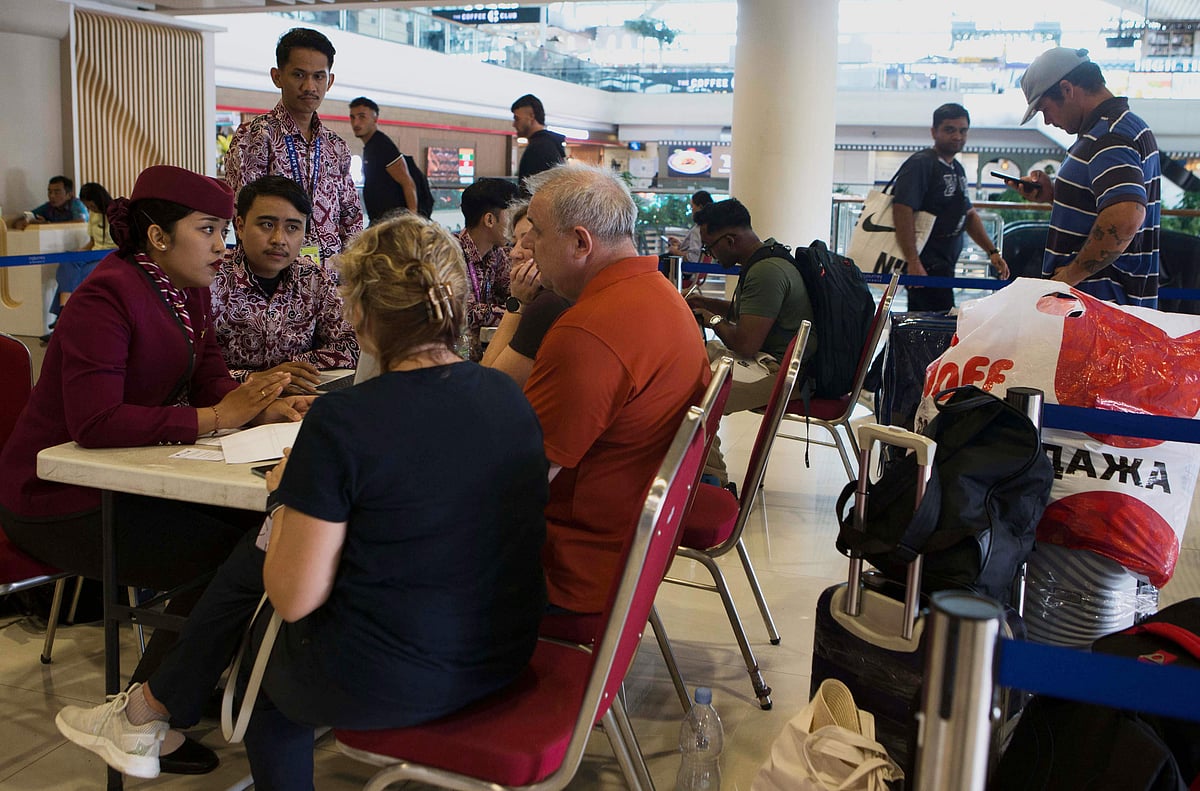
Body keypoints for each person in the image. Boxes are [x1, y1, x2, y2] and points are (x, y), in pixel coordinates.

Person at [54, 213, 549, 788]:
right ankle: (148, 710)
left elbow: (293, 596)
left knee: (267, 693)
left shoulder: (344, 420)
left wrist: (286, 496)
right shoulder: (504, 395)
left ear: (359, 314)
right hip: (505, 649)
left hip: (398, 677)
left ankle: (148, 710)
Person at [0, 164, 310, 775]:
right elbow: (94, 421)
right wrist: (216, 417)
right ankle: (152, 712)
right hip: (56, 496)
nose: (223, 246)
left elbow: (210, 374)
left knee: (248, 540)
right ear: (159, 237)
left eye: (224, 230)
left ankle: (153, 708)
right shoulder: (106, 294)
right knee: (238, 549)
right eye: (210, 230)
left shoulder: (185, 286)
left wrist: (261, 407)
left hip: (126, 477)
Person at [521, 164, 709, 614]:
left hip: (569, 567)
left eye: (536, 231)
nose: (526, 244)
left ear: (580, 243)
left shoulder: (589, 331)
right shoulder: (662, 295)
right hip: (631, 551)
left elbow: (518, 483)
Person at [1015, 47, 1161, 308]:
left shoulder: (1109, 137)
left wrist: (1069, 277)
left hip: (1100, 310)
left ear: (1067, 89)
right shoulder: (1121, 126)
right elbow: (1106, 206)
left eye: (1045, 109)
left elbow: (1125, 217)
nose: (1047, 121)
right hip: (1109, 308)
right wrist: (1055, 195)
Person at [224, 28, 363, 265]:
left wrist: (351, 273)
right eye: (299, 75)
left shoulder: (336, 147)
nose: (309, 86)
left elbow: (351, 219)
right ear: (277, 76)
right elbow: (242, 215)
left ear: (329, 81)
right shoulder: (255, 136)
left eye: (318, 77)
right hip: (273, 281)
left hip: (330, 283)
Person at [211, 176, 359, 393]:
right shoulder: (211, 278)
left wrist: (290, 368)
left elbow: (352, 344)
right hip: (226, 403)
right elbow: (189, 365)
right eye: (267, 225)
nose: (279, 239)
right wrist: (253, 378)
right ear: (240, 227)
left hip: (295, 398)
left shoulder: (312, 277)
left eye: (292, 228)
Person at [687, 198, 816, 414]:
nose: (710, 256)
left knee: (687, 398)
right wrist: (703, 302)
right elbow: (751, 315)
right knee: (691, 366)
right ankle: (707, 449)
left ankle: (705, 449)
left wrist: (711, 318)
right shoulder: (769, 257)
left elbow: (745, 344)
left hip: (785, 373)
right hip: (777, 363)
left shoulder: (765, 272)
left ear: (729, 241)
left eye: (709, 248)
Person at [891, 103, 1010, 312]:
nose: (957, 136)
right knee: (927, 328)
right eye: (949, 130)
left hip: (945, 264)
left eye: (963, 131)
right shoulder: (921, 164)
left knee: (938, 322)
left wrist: (991, 251)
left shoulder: (957, 168)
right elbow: (902, 208)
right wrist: (913, 260)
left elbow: (969, 215)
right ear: (933, 132)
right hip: (925, 264)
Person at [480, 200, 570, 387]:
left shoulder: (549, 303)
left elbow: (488, 384)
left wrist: (517, 302)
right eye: (514, 242)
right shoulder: (557, 295)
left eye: (527, 240)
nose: (514, 253)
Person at [456, 177, 520, 360]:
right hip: (456, 357)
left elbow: (512, 293)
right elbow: (464, 312)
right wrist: (516, 312)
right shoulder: (451, 252)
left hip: (482, 353)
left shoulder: (497, 253)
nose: (515, 224)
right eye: (512, 214)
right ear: (490, 220)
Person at [348, 96, 418, 223]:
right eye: (352, 117)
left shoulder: (383, 145)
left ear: (375, 118)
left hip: (393, 224)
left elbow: (408, 183)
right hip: (380, 221)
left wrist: (412, 221)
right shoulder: (371, 146)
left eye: (362, 117)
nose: (356, 123)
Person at [511, 94, 566, 189]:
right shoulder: (550, 144)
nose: (514, 124)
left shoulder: (539, 149)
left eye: (517, 119)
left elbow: (533, 192)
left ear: (532, 116)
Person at [12, 175, 88, 229]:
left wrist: (47, 225)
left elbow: (80, 223)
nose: (52, 196)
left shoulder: (76, 204)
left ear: (69, 195)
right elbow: (27, 216)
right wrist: (23, 222)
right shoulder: (49, 206)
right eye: (50, 192)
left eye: (56, 192)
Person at [667, 190, 715, 262]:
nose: (692, 210)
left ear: (700, 207)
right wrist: (681, 245)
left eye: (692, 207)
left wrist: (675, 251)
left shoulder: (699, 230)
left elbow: (692, 258)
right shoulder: (709, 228)